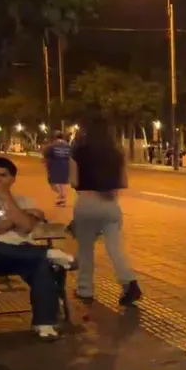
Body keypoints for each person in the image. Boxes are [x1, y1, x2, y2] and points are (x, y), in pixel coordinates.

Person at [0, 157, 61, 339]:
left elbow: (26, 226)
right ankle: (45, 253)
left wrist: (6, 198)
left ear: (12, 179)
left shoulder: (25, 201)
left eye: (3, 175)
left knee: (42, 265)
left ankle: (44, 323)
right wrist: (17, 218)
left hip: (20, 255)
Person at [69, 118, 140, 305]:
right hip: (111, 204)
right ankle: (129, 281)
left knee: (85, 248)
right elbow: (124, 182)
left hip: (86, 202)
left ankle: (85, 289)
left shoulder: (78, 152)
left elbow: (74, 182)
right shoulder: (117, 154)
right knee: (114, 247)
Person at [43, 130, 72, 207]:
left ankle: (62, 196)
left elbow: (47, 157)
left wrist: (47, 167)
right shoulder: (68, 146)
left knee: (52, 183)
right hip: (66, 166)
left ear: (55, 137)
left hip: (55, 166)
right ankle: (62, 199)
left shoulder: (52, 145)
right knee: (61, 183)